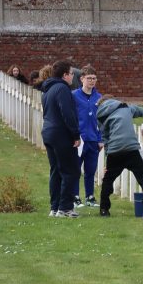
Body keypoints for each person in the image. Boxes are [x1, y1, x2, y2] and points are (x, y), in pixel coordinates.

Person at [95, 97, 143, 220]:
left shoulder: (101, 116)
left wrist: (107, 161)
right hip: (131, 149)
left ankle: (104, 209)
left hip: (115, 152)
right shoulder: (127, 108)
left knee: (108, 180)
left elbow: (105, 138)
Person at [40, 59, 82, 218]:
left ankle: (55, 207)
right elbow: (67, 113)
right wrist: (75, 134)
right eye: (71, 73)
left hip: (48, 132)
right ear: (65, 75)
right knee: (70, 171)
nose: (73, 76)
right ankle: (65, 208)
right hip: (61, 134)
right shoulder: (63, 89)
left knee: (56, 171)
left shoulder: (48, 89)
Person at [72, 65, 102, 207]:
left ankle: (90, 197)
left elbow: (102, 120)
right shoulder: (74, 96)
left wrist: (101, 139)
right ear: (82, 79)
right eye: (89, 78)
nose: (92, 81)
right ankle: (75, 196)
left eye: (94, 78)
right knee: (76, 169)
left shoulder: (99, 97)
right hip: (79, 139)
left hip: (93, 139)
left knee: (91, 170)